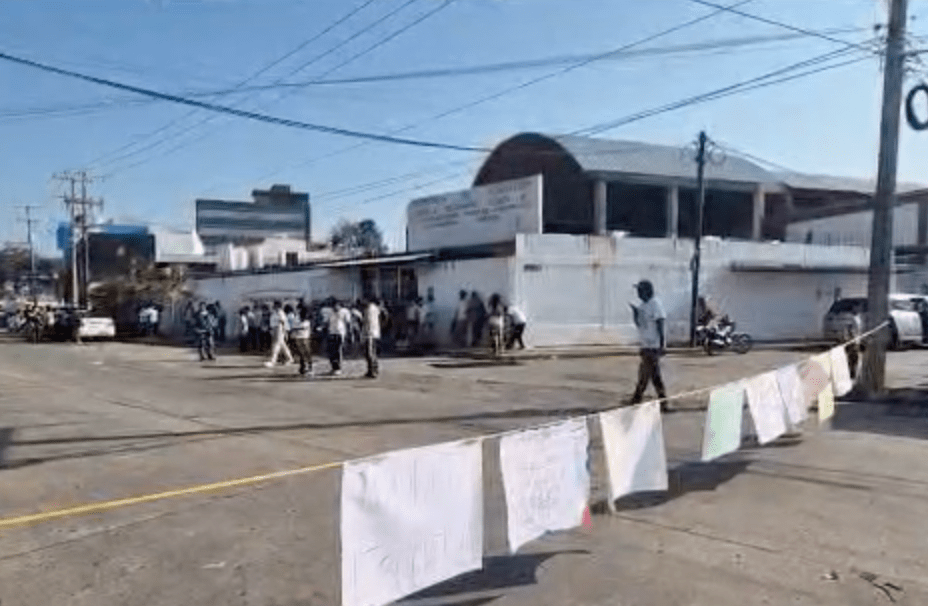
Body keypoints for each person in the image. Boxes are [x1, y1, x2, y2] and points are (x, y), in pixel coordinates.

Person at [629, 279, 668, 411]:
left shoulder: (655, 304)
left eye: (640, 291)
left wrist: (662, 344)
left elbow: (660, 322)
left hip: (653, 346)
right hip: (645, 345)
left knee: (647, 374)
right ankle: (661, 401)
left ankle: (638, 398)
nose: (638, 293)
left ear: (647, 291)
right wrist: (635, 314)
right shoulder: (642, 306)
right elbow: (639, 324)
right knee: (651, 375)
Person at [265, 301, 294, 368]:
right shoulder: (275, 312)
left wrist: (283, 331)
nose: (274, 306)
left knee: (276, 345)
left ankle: (273, 361)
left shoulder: (280, 313)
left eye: (275, 305)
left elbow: (282, 322)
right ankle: (290, 358)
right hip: (275, 329)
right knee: (282, 345)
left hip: (279, 329)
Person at [327, 300, 352, 375]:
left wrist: (350, 333)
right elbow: (328, 322)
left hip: (340, 333)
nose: (335, 307)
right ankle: (333, 367)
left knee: (338, 350)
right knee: (331, 351)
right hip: (331, 332)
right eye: (333, 306)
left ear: (340, 306)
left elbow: (348, 322)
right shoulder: (330, 312)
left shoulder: (345, 312)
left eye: (336, 306)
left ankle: (338, 368)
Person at [290, 305, 313, 377]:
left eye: (298, 309)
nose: (297, 311)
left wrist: (296, 328)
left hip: (304, 337)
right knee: (301, 353)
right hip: (298, 337)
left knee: (306, 352)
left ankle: (309, 367)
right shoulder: (296, 317)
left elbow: (303, 327)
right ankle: (303, 367)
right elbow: (294, 326)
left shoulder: (306, 318)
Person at [362, 297, 383, 378]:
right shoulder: (376, 309)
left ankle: (372, 370)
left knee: (369, 353)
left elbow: (368, 321)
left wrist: (365, 333)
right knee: (372, 352)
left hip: (369, 333)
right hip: (375, 333)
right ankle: (373, 369)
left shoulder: (369, 309)